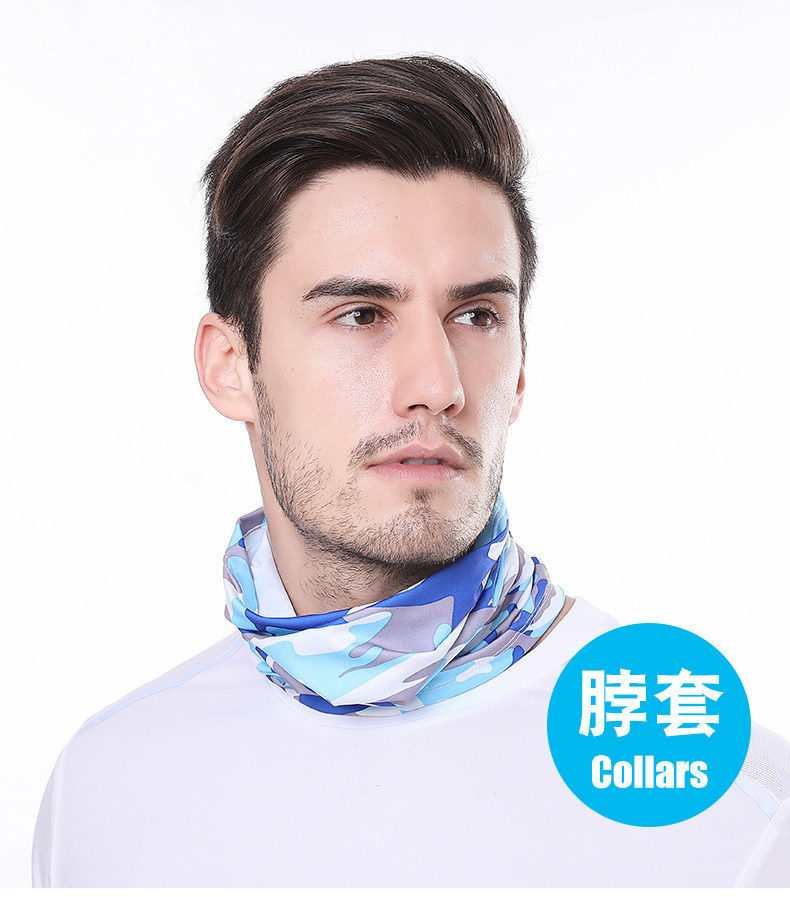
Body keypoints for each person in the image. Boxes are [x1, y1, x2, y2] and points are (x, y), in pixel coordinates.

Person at [32, 55, 789, 887]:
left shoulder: (727, 801)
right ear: (230, 366)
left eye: (477, 315)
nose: (438, 382)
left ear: (521, 369)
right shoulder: (108, 787)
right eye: (362, 314)